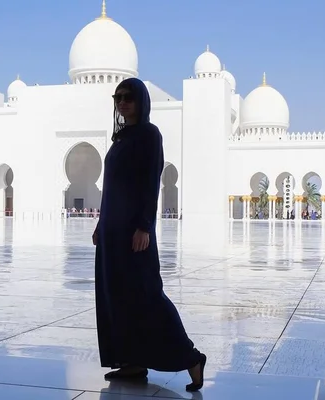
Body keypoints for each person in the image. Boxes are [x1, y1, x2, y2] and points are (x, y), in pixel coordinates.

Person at [92, 77, 207, 392]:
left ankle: (192, 358)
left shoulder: (148, 135)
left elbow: (150, 182)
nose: (123, 102)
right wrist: (101, 224)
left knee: (147, 296)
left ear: (142, 100)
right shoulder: (121, 138)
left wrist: (144, 225)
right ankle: (132, 361)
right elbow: (112, 189)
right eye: (119, 97)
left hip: (133, 231)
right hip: (113, 232)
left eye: (129, 97)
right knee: (117, 296)